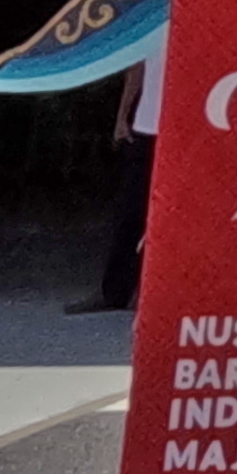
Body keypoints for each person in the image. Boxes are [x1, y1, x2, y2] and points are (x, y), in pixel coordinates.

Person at [77, 27, 163, 313]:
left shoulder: (202, 11)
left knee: (178, 216)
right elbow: (136, 66)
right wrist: (123, 115)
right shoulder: (151, 16)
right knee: (130, 212)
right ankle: (115, 291)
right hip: (148, 123)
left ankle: (170, 291)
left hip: (185, 125)